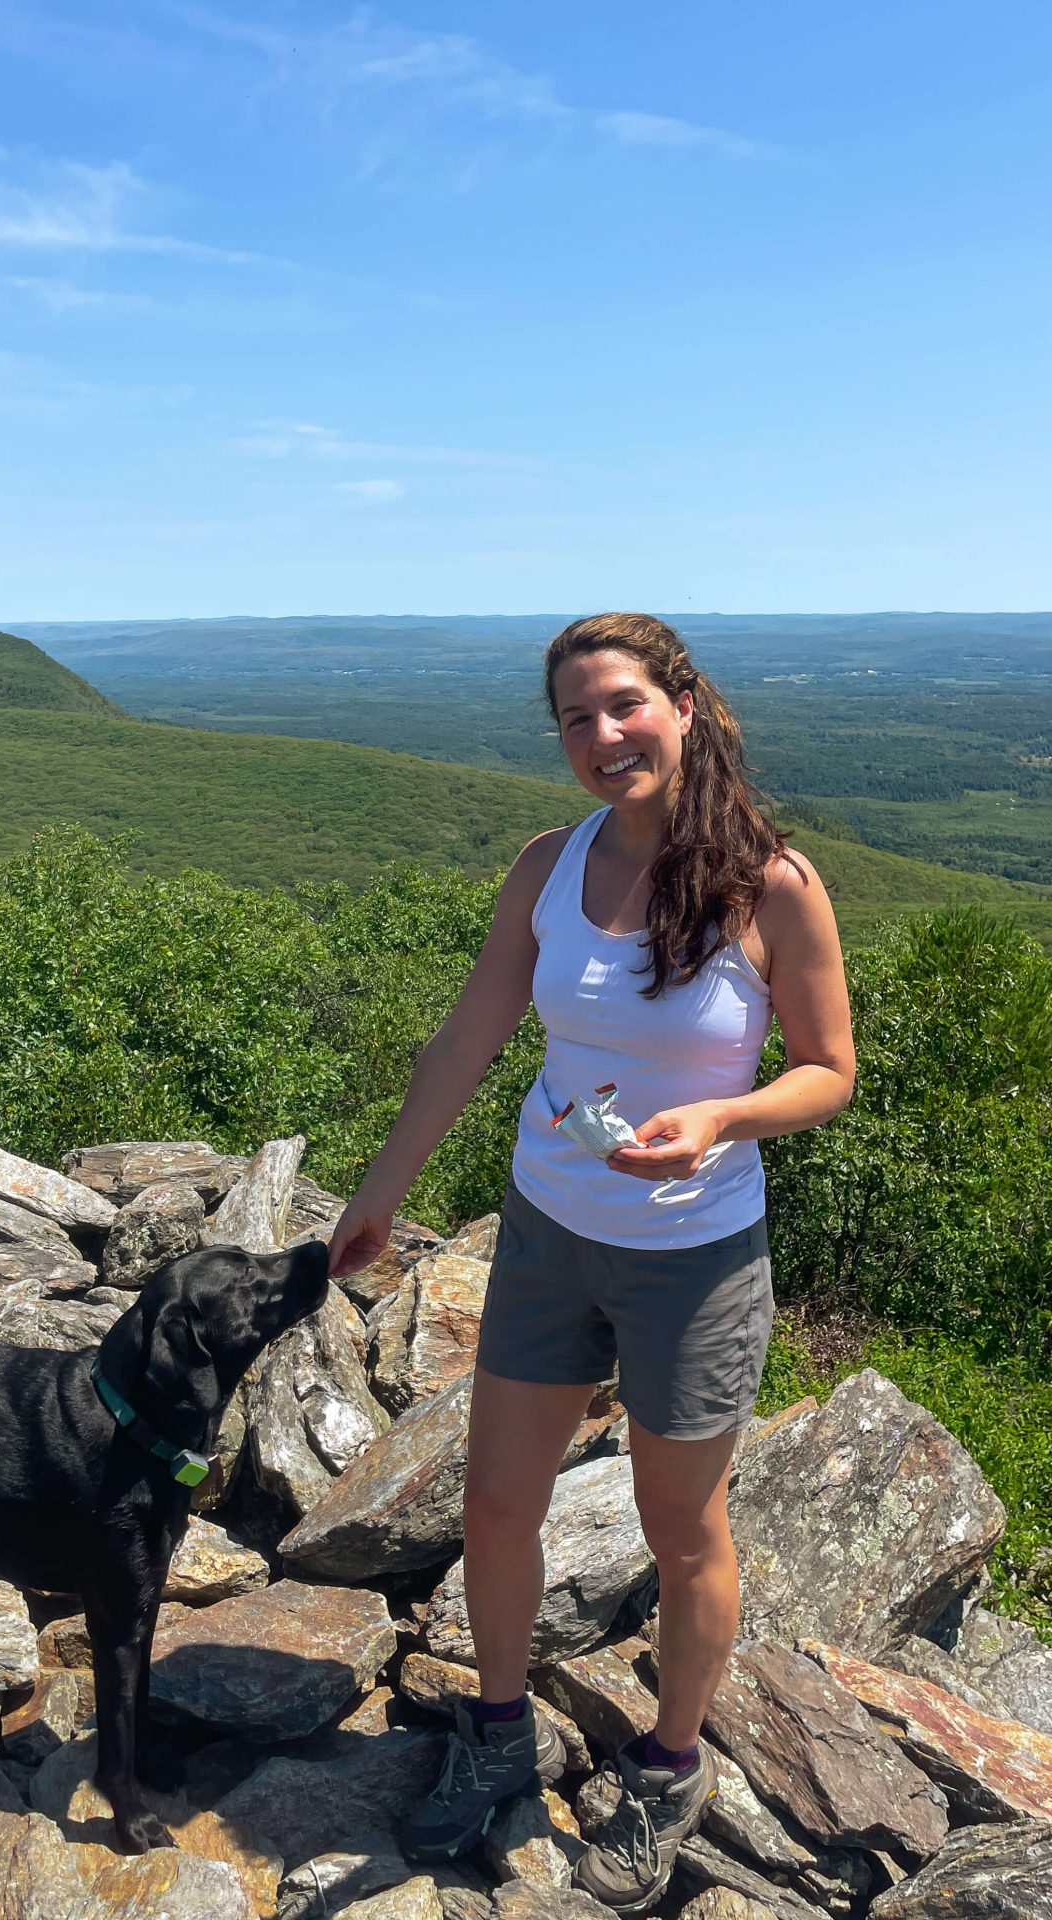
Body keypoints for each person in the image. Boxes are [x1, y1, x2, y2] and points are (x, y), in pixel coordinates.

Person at [326, 612, 856, 1914]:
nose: (601, 735)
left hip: (696, 1255)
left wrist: (723, 1118)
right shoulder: (546, 867)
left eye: (622, 703)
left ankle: (669, 1766)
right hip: (552, 1234)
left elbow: (830, 1072)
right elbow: (467, 1037)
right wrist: (379, 1196)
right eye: (574, 717)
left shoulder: (771, 885)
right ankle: (500, 1735)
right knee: (498, 1506)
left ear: (682, 704)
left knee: (683, 1534)